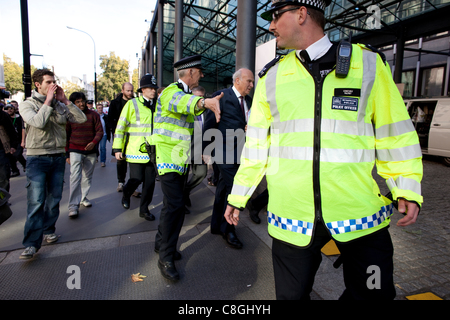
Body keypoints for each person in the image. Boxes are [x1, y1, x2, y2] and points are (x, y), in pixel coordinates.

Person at [225, 0, 423, 300]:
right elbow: (256, 147)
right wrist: (238, 196)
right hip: (292, 218)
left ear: (302, 14)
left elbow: (394, 132)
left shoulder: (369, 64)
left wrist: (406, 187)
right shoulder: (270, 77)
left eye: (277, 16)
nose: (271, 25)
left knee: (375, 294)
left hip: (359, 215)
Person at [154, 55, 223, 281]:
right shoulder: (171, 92)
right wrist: (204, 102)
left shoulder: (182, 93)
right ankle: (165, 256)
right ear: (191, 72)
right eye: (200, 72)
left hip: (180, 157)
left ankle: (163, 243)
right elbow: (182, 103)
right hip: (167, 157)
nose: (201, 76)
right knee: (175, 205)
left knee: (172, 205)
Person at [19, 69, 86, 260]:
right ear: (38, 85)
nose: (53, 85)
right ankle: (31, 243)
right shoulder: (27, 104)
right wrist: (48, 101)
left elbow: (80, 119)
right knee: (36, 201)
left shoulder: (59, 104)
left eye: (54, 81)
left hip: (57, 157)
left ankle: (49, 230)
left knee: (54, 199)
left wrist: (65, 101)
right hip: (37, 158)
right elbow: (38, 122)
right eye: (48, 82)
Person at [204, 68, 254, 249]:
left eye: (252, 82)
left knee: (224, 189)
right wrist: (205, 149)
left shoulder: (248, 101)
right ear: (237, 80)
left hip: (241, 153)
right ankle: (228, 229)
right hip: (224, 153)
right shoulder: (220, 96)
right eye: (249, 81)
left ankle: (217, 225)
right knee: (235, 189)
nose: (251, 85)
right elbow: (210, 123)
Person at [112, 74, 159, 222]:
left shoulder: (159, 105)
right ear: (143, 90)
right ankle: (126, 193)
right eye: (151, 88)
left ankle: (144, 210)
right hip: (136, 151)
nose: (153, 91)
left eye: (155, 89)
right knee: (136, 178)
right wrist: (117, 149)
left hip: (154, 151)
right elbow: (120, 127)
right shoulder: (132, 104)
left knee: (150, 183)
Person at [66, 92, 104, 218]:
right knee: (74, 177)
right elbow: (65, 135)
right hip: (74, 149)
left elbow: (99, 130)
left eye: (82, 101)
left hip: (90, 151)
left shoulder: (93, 115)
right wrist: (66, 154)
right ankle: (73, 206)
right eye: (77, 102)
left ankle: (83, 197)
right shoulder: (70, 116)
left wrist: (94, 142)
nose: (81, 103)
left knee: (87, 176)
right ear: (73, 103)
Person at [183, 86, 208, 214]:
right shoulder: (186, 111)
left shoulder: (207, 112)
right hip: (186, 149)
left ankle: (186, 190)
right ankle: (182, 203)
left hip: (200, 149)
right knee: (183, 176)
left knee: (201, 173)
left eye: (201, 97)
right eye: (196, 97)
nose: (199, 100)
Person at [109, 83, 135, 192]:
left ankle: (132, 186)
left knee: (134, 161)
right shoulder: (115, 103)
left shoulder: (136, 102)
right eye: (128, 90)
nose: (130, 93)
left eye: (131, 91)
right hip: (120, 135)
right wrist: (114, 132)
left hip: (133, 135)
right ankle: (121, 182)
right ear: (122, 90)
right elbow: (110, 119)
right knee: (121, 160)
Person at [4, 104, 26, 176]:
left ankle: (25, 164)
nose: (9, 110)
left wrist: (23, 140)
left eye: (11, 108)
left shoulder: (19, 118)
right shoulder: (5, 118)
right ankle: (15, 170)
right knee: (11, 156)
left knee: (17, 154)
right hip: (9, 141)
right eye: (7, 108)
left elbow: (23, 129)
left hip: (18, 139)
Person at [0, 108, 19, 192]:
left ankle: (3, 201)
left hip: (2, 150)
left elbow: (11, 131)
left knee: (3, 176)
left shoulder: (2, 115)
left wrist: (13, 146)